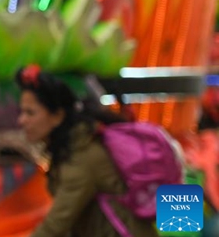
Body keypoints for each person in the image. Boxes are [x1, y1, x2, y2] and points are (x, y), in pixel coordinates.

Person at [15, 65, 157, 237]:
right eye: (21, 112)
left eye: (30, 113)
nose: (22, 120)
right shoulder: (75, 147)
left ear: (57, 116)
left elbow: (55, 226)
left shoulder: (82, 157)